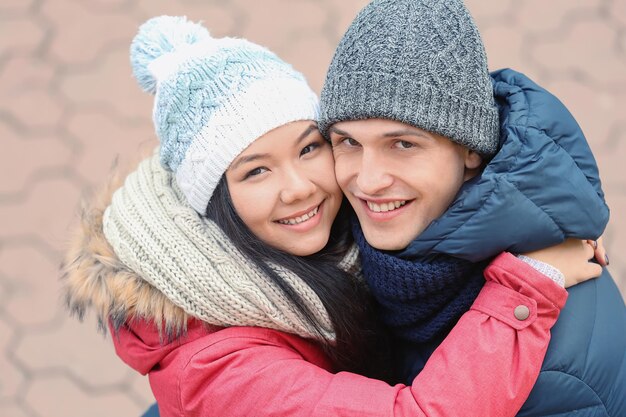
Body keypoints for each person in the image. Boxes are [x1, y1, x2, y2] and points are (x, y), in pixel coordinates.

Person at [61, 16, 602, 417]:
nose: (299, 189)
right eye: (255, 172)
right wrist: (529, 284)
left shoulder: (325, 249)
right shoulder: (216, 364)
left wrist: (533, 223)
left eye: (309, 148)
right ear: (212, 200)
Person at [318, 0, 626, 416]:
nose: (368, 181)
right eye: (349, 142)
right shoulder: (352, 240)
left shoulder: (553, 372)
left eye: (403, 144)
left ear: (470, 151)